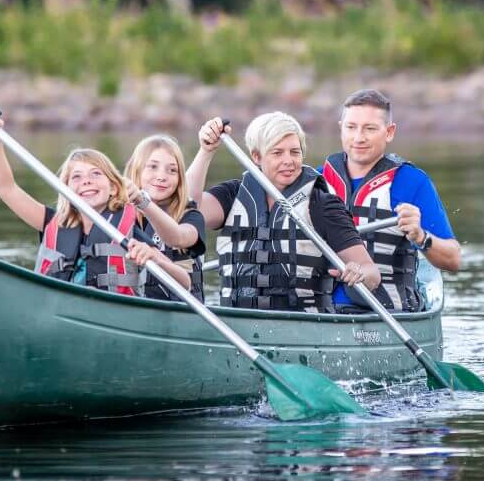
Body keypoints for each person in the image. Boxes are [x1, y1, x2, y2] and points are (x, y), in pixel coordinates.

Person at [0, 109, 193, 295]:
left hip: (111, 316)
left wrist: (155, 256)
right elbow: (6, 189)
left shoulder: (129, 231)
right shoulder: (51, 222)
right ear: (65, 189)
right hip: (55, 312)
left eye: (96, 174)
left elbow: (184, 281)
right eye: (76, 177)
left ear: (113, 187)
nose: (86, 181)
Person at [186, 112, 380, 313]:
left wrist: (359, 274)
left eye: (294, 152)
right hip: (235, 322)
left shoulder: (323, 205)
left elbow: (372, 273)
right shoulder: (232, 195)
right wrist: (205, 151)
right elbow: (188, 209)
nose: (289, 161)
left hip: (301, 326)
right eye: (277, 153)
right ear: (256, 157)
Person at [320, 89, 461, 313]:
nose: (359, 137)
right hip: (320, 310)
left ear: (389, 132)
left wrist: (420, 237)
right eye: (351, 127)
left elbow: (453, 259)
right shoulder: (316, 181)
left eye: (370, 129)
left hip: (387, 313)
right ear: (341, 128)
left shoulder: (412, 182)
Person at [123, 134, 207, 302]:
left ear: (180, 179)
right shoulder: (121, 217)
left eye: (172, 170)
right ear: (136, 170)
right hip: (137, 308)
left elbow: (177, 237)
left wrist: (143, 202)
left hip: (182, 312)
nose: (162, 176)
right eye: (153, 167)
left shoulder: (191, 216)